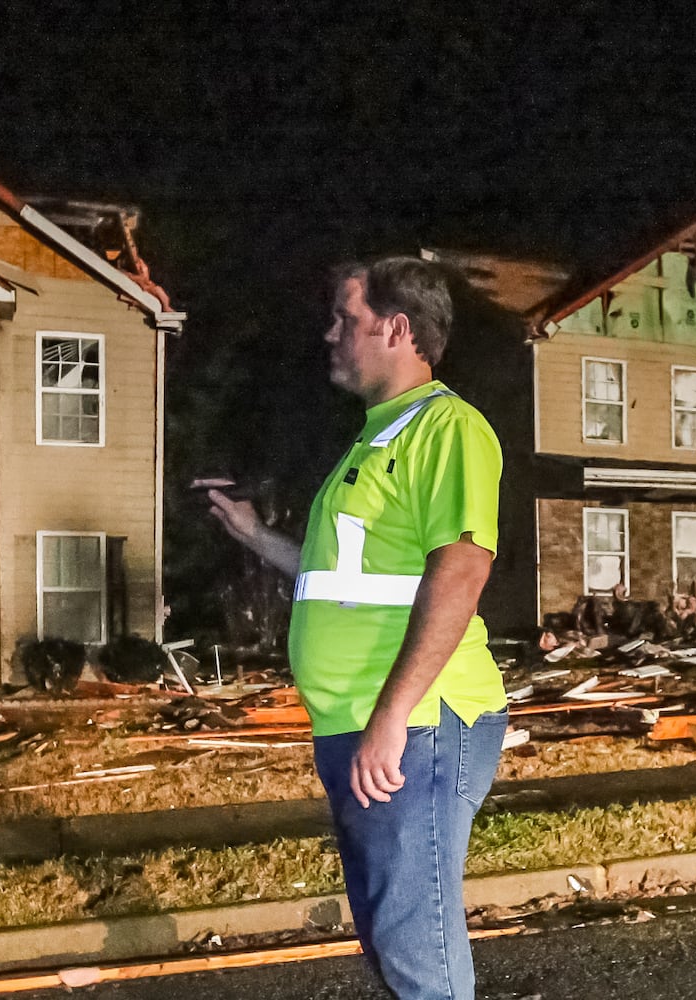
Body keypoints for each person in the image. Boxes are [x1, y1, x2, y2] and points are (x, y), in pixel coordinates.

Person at [207, 256, 508, 1000]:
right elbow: (336, 578)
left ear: (396, 328)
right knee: (388, 930)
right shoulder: (377, 437)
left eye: (345, 318)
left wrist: (392, 716)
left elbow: (461, 570)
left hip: (417, 723)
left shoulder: (447, 428)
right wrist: (253, 537)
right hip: (358, 719)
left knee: (416, 944)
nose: (329, 332)